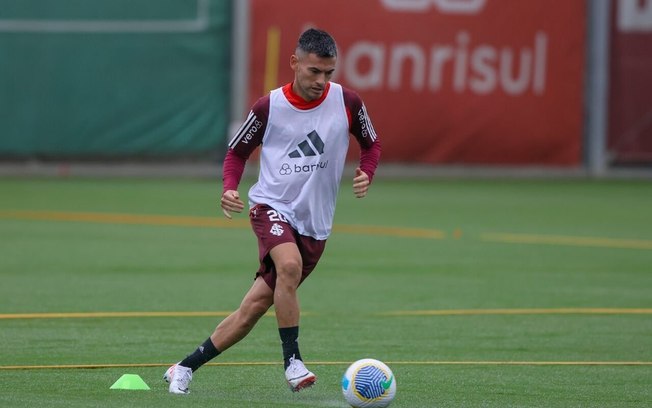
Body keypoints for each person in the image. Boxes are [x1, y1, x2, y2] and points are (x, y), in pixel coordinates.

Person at [164, 28, 381, 395]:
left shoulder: (348, 102)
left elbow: (371, 144)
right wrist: (229, 187)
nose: (321, 80)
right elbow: (236, 152)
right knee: (289, 266)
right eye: (314, 71)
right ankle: (293, 362)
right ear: (294, 62)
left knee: (251, 310)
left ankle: (184, 367)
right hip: (271, 207)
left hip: (315, 225)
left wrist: (366, 172)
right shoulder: (270, 106)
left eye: (328, 73)